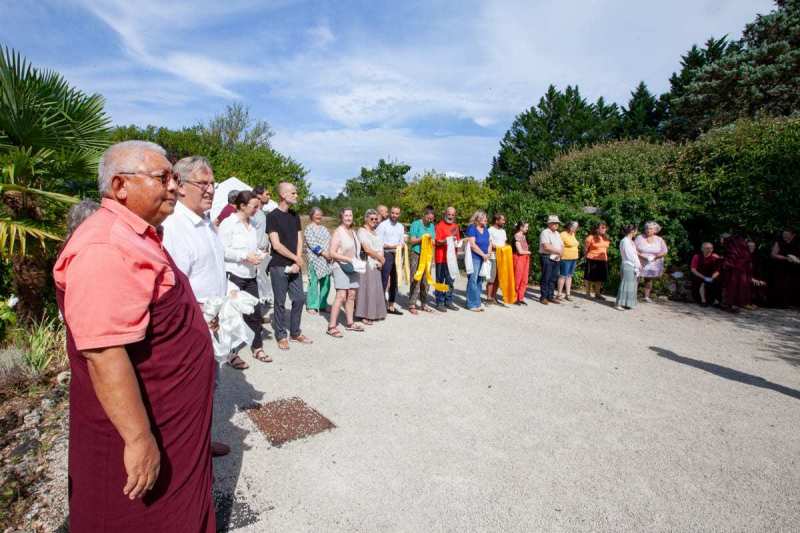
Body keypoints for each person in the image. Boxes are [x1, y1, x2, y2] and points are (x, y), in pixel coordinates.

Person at [53, 140, 215, 531]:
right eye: (163, 177)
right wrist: (139, 440)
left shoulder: (137, 234)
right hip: (140, 425)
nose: (174, 186)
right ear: (121, 186)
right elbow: (103, 352)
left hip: (174, 418)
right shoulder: (104, 245)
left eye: (175, 177)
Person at [161, 156, 234, 458]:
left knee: (208, 390)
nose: (210, 189)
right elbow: (173, 289)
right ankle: (188, 452)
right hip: (191, 328)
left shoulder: (205, 222)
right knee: (190, 395)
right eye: (202, 183)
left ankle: (201, 442)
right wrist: (202, 316)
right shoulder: (175, 227)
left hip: (211, 324)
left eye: (212, 183)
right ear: (179, 186)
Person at [219, 191, 271, 363]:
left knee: (255, 313)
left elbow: (251, 248)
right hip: (233, 275)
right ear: (242, 206)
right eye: (254, 206)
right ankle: (231, 353)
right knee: (231, 316)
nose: (257, 209)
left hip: (250, 275)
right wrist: (243, 256)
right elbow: (222, 250)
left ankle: (257, 347)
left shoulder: (253, 225)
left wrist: (259, 254)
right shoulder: (228, 224)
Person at [266, 182, 312, 349]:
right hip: (279, 265)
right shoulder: (272, 216)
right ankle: (281, 335)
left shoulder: (294, 215)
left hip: (295, 265)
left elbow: (300, 238)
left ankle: (295, 332)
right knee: (279, 302)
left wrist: (298, 260)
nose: (296, 196)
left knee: (299, 299)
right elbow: (276, 245)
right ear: (283, 195)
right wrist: (295, 258)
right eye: (293, 193)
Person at [327, 208, 361, 337]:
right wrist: (347, 259)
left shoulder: (353, 231)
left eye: (350, 215)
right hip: (340, 266)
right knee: (341, 296)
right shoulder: (338, 232)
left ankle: (350, 323)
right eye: (346, 215)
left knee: (352, 294)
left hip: (353, 267)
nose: (348, 217)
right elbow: (332, 252)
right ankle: (331, 326)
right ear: (341, 217)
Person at [356, 209, 389, 324]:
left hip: (376, 264)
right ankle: (364, 314)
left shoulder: (376, 232)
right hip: (367, 263)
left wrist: (381, 260)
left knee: (375, 288)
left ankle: (375, 313)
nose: (374, 221)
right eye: (372, 219)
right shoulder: (362, 231)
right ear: (366, 219)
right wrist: (380, 258)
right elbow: (367, 249)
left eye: (376, 219)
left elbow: (380, 247)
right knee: (367, 288)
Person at [407, 205, 436, 314]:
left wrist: (432, 241)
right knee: (416, 278)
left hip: (428, 255)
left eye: (431, 219)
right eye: (428, 218)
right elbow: (412, 240)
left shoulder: (432, 226)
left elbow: (433, 239)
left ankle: (424, 303)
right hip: (416, 254)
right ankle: (412, 304)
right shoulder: (416, 224)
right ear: (424, 215)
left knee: (426, 280)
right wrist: (422, 238)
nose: (430, 220)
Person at [377, 206, 405, 315]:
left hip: (397, 255)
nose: (394, 215)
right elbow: (379, 242)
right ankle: (379, 306)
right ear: (390, 213)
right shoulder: (383, 225)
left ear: (399, 214)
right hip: (386, 254)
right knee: (383, 280)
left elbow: (402, 241)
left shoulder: (401, 226)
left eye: (397, 213)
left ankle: (391, 306)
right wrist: (390, 246)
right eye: (392, 213)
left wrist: (401, 245)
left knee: (394, 281)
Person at [304, 207, 332, 314]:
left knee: (326, 283)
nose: (319, 216)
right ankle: (312, 305)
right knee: (313, 282)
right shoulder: (308, 229)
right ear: (311, 215)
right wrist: (324, 253)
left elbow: (330, 241)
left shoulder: (324, 229)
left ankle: (323, 304)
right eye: (317, 214)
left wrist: (330, 253)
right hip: (315, 259)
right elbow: (313, 244)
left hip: (327, 260)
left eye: (320, 214)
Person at [434, 206, 461, 312]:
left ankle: (448, 301)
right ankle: (439, 302)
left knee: (450, 281)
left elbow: (457, 242)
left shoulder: (456, 226)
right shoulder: (439, 226)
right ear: (445, 214)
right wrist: (446, 241)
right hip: (441, 258)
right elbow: (436, 241)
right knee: (440, 281)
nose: (450, 216)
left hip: (452, 259)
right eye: (449, 214)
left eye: (453, 215)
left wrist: (459, 244)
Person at [635, 221, 668, 302]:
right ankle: (632, 295)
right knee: (636, 278)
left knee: (649, 279)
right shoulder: (639, 238)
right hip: (640, 261)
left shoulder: (659, 239)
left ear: (655, 230)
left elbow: (665, 251)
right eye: (646, 228)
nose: (648, 230)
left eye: (650, 229)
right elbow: (633, 249)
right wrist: (642, 256)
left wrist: (656, 257)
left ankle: (646, 297)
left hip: (653, 263)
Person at [465, 210, 491, 311]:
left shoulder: (485, 229)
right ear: (479, 218)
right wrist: (483, 254)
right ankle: (471, 304)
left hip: (484, 258)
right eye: (484, 218)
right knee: (473, 279)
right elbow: (472, 245)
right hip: (474, 257)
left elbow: (489, 242)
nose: (486, 220)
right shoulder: (472, 228)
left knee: (480, 280)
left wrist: (488, 254)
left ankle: (477, 302)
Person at [721, 233, 752, 312]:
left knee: (731, 286)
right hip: (742, 268)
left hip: (733, 268)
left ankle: (729, 305)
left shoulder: (730, 244)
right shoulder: (739, 243)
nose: (720, 241)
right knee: (739, 286)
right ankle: (736, 304)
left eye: (721, 239)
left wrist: (726, 264)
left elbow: (731, 257)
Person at [770, 228, 800, 308]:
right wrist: (786, 258)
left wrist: (796, 259)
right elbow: (773, 254)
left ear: (793, 235)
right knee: (781, 284)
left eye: (787, 235)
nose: (784, 236)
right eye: (783, 234)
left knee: (794, 284)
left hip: (795, 267)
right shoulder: (779, 241)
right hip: (781, 266)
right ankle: (779, 304)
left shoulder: (797, 242)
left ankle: (793, 303)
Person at [616, 224, 641, 310]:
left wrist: (638, 264)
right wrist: (636, 264)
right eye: (636, 230)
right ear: (632, 231)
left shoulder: (631, 241)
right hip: (628, 264)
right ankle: (619, 303)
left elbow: (635, 254)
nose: (637, 232)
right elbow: (629, 255)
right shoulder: (625, 241)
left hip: (632, 265)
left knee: (631, 284)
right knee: (625, 284)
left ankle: (627, 303)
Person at [539, 215, 563, 305]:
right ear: (549, 224)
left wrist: (560, 253)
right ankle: (543, 297)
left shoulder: (557, 234)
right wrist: (558, 252)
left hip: (556, 257)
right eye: (555, 223)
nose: (557, 225)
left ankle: (550, 296)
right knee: (546, 277)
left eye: (557, 223)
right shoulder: (545, 232)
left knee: (553, 278)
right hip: (547, 256)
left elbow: (561, 245)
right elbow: (546, 246)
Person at [584, 221, 610, 300]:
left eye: (605, 228)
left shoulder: (606, 237)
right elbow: (585, 249)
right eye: (602, 227)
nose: (604, 229)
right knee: (590, 277)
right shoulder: (590, 237)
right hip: (592, 259)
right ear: (597, 229)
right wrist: (586, 257)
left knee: (600, 278)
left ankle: (597, 293)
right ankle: (588, 293)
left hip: (603, 259)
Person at [485, 213, 507, 304]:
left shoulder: (503, 231)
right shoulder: (490, 230)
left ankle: (494, 296)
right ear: (496, 220)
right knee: (491, 279)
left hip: (502, 257)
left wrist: (505, 248)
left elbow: (504, 243)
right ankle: (489, 297)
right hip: (493, 257)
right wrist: (499, 248)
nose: (504, 222)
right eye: (502, 220)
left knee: (498, 278)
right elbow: (490, 244)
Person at [690, 242, 722, 306]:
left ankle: (716, 301)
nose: (709, 250)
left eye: (711, 248)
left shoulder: (715, 257)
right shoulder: (697, 257)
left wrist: (712, 277)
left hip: (711, 275)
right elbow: (693, 269)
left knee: (717, 282)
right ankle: (703, 301)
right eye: (707, 248)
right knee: (701, 283)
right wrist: (704, 277)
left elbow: (718, 270)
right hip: (699, 275)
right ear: (702, 249)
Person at [556, 221, 580, 301]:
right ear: (570, 227)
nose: (576, 228)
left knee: (569, 276)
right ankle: (559, 294)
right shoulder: (562, 234)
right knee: (563, 275)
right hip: (565, 258)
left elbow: (574, 244)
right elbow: (559, 245)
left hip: (573, 258)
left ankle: (568, 294)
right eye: (575, 227)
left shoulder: (573, 234)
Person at [512, 222, 531, 304]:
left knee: (524, 278)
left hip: (525, 258)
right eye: (526, 227)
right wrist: (528, 252)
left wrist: (527, 253)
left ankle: (521, 297)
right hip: (519, 258)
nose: (527, 228)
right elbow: (520, 251)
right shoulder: (517, 236)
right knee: (517, 278)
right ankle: (514, 297)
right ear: (521, 227)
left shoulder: (524, 236)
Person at [748, 240, 769, 307]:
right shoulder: (743, 256)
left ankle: (758, 302)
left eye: (753, 246)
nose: (751, 248)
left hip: (756, 276)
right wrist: (751, 278)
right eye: (749, 246)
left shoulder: (758, 256)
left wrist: (760, 279)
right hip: (746, 276)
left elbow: (760, 270)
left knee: (762, 283)